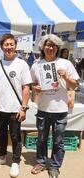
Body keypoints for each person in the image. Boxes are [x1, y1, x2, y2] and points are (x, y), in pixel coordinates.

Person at [30, 34, 79, 178]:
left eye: (53, 46)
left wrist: (66, 77)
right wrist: (36, 88)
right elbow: (32, 83)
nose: (50, 48)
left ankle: (55, 166)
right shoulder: (36, 65)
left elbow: (74, 85)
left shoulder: (65, 63)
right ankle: (41, 161)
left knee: (58, 140)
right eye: (48, 45)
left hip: (61, 109)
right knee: (41, 139)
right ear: (43, 47)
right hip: (43, 109)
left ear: (57, 48)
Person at [0, 34, 32, 178]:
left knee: (15, 135)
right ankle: (1, 156)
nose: (9, 47)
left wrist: (23, 107)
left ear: (15, 46)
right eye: (6, 44)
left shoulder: (22, 64)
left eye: (11, 44)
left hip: (15, 108)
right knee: (1, 134)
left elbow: (26, 88)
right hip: (0, 107)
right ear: (1, 47)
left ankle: (15, 161)